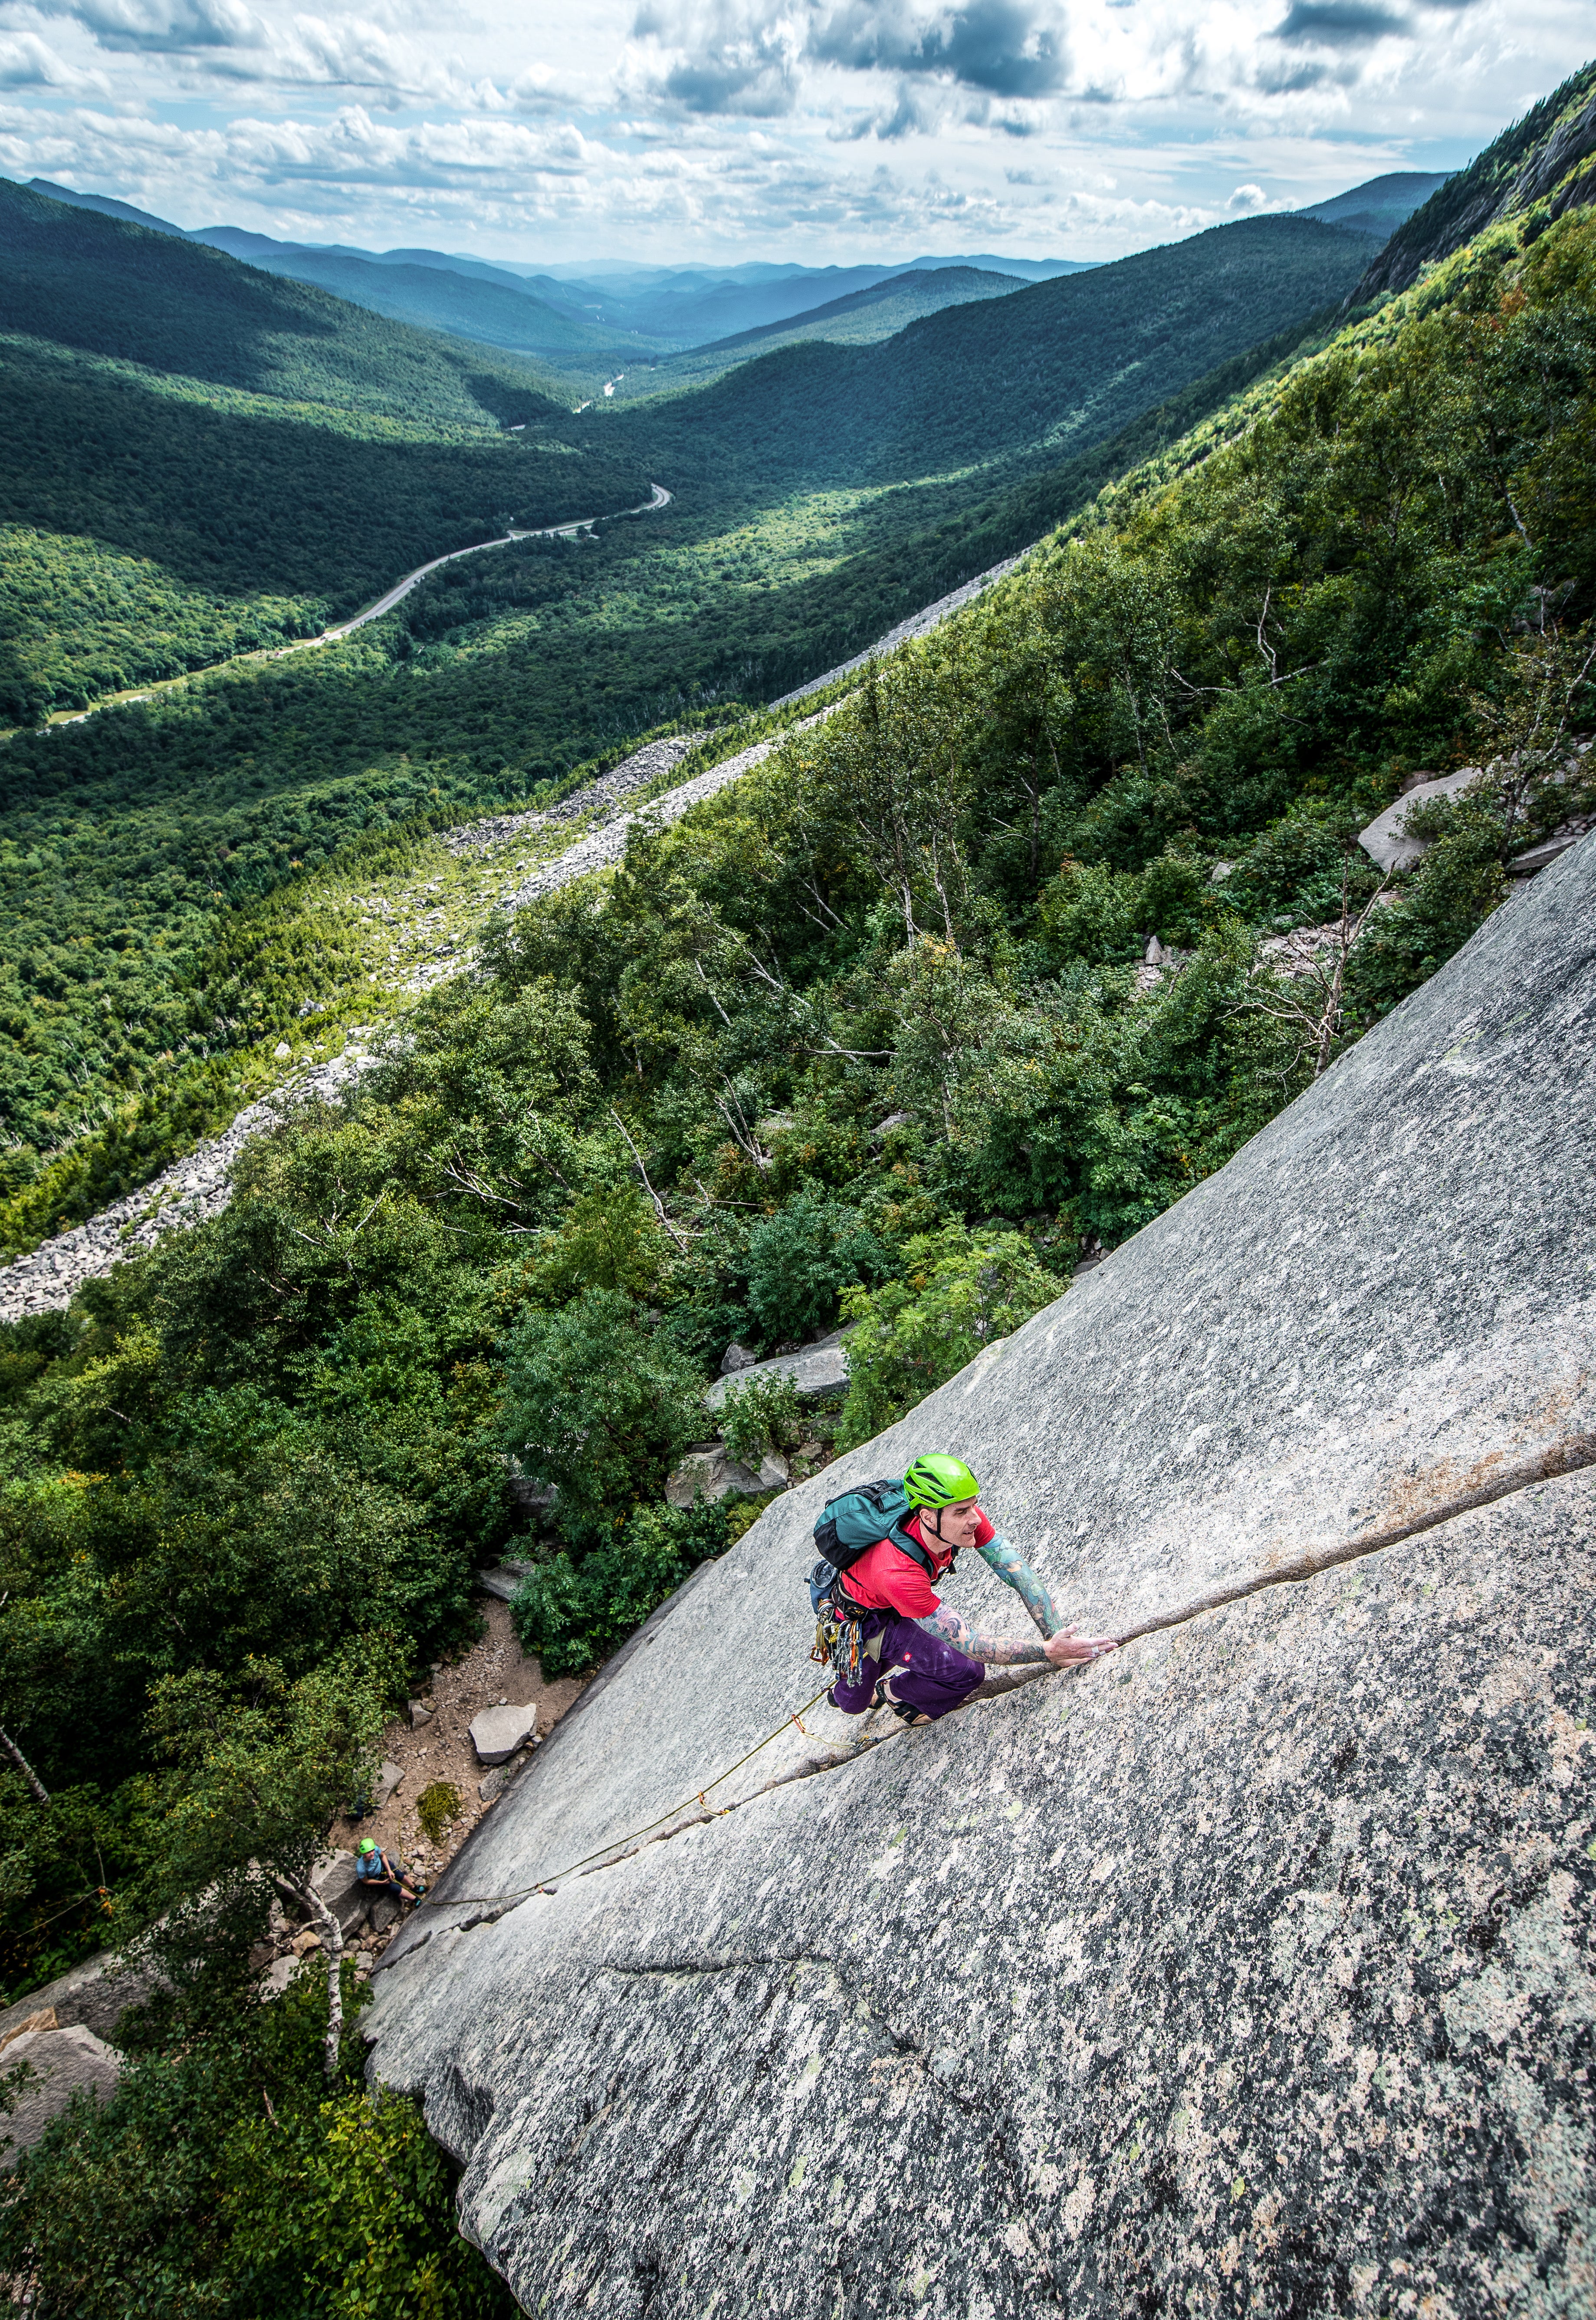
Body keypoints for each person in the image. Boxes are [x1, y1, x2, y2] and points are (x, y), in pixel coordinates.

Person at [813, 1453, 1117, 1727]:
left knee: (960, 1671)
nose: (975, 1518)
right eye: (961, 1512)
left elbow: (1018, 1573)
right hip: (862, 1622)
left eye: (974, 1505)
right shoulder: (897, 1571)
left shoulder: (960, 1518)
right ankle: (850, 1687)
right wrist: (1049, 1653)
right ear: (928, 1516)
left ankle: (892, 1691)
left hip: (896, 1602)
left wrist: (1057, 1636)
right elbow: (969, 1642)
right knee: (853, 1702)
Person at [354, 1836, 425, 1907]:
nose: (372, 1853)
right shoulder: (361, 1867)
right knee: (396, 1888)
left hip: (384, 1866)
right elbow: (366, 1881)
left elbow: (383, 1856)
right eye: (369, 1852)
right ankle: (415, 1900)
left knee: (399, 1875)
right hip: (377, 1878)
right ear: (364, 1854)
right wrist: (382, 1883)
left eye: (372, 1851)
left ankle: (414, 1888)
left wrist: (389, 1871)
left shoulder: (375, 1849)